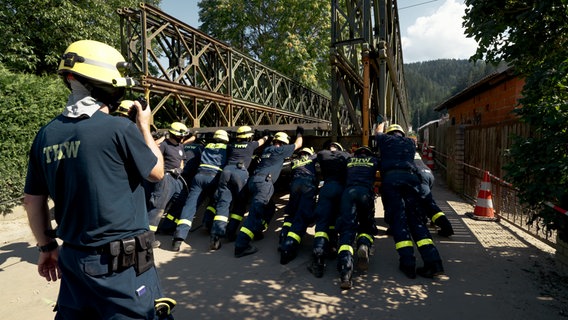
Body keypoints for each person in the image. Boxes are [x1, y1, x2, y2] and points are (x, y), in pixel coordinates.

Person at [23, 39, 175, 319]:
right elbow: (156, 172)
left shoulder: (45, 135)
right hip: (122, 267)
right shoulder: (119, 128)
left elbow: (33, 200)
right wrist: (144, 127)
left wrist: (46, 247)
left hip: (73, 260)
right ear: (110, 82)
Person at [375, 121, 446, 280]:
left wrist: (381, 124)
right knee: (417, 222)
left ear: (390, 133)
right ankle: (434, 264)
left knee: (399, 221)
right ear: (402, 133)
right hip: (411, 179)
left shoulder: (385, 140)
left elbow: (377, 132)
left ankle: (408, 264)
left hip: (392, 180)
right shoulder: (410, 142)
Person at [234, 127, 304, 258]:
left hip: (254, 181)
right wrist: (300, 133)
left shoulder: (267, 149)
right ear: (283, 143)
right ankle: (241, 245)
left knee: (270, 207)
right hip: (264, 184)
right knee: (255, 212)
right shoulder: (280, 150)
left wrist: (265, 137)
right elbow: (299, 144)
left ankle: (257, 230)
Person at [209, 126, 270, 250]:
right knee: (240, 203)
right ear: (248, 136)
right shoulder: (251, 145)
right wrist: (266, 136)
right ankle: (230, 233)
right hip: (239, 173)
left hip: (226, 172)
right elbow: (261, 141)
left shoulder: (231, 145)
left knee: (223, 204)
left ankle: (215, 236)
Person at [171, 129, 229, 251]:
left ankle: (178, 238)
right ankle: (213, 234)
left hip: (199, 177)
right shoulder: (227, 148)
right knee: (217, 202)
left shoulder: (206, 146)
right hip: (214, 178)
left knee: (190, 205)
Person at [335, 146, 380, 289]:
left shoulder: (349, 160)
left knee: (347, 230)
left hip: (349, 193)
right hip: (365, 193)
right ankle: (363, 245)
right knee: (366, 225)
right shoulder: (373, 160)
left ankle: (345, 273)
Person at [307, 141, 351, 278]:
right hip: (341, 190)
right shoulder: (346, 155)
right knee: (337, 219)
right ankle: (334, 248)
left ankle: (318, 261)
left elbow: (308, 161)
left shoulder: (322, 154)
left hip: (327, 188)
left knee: (322, 224)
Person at [147, 122, 190, 241]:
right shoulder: (164, 145)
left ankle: (167, 227)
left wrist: (180, 169)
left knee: (180, 201)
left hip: (177, 178)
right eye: (181, 135)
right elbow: (153, 154)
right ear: (174, 134)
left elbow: (182, 160)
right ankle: (148, 238)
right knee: (158, 206)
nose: (183, 137)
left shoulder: (180, 146)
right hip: (165, 178)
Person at [279, 147, 319, 264]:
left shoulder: (294, 162)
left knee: (291, 213)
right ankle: (288, 249)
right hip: (307, 184)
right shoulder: (312, 157)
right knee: (302, 216)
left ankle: (282, 239)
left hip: (295, 185)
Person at [413, 151, 454, 237]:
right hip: (428, 173)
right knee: (426, 201)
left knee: (429, 205)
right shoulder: (419, 159)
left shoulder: (408, 160)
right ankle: (428, 219)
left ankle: (446, 227)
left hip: (420, 175)